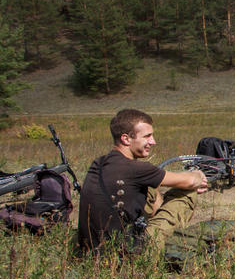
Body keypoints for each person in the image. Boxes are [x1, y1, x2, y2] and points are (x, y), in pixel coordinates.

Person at [78, 108, 208, 254]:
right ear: (126, 139)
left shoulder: (98, 163)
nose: (153, 142)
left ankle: (152, 226)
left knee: (151, 187)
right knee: (188, 192)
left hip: (89, 251)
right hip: (127, 254)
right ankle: (162, 241)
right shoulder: (137, 169)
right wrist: (197, 174)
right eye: (147, 136)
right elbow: (190, 181)